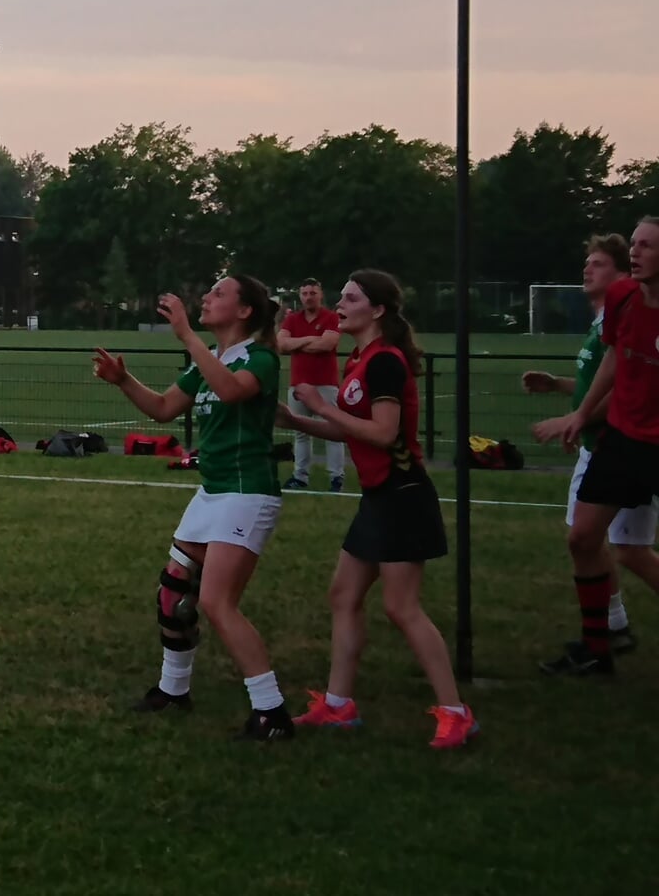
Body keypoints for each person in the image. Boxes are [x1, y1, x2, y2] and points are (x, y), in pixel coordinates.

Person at [278, 269, 476, 748]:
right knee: (343, 596)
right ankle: (339, 705)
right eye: (340, 297)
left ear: (378, 310)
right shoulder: (360, 358)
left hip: (403, 496)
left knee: (401, 607)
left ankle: (456, 712)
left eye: (350, 298)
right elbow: (352, 431)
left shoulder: (384, 362)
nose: (339, 304)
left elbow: (384, 434)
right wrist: (295, 420)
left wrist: (321, 408)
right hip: (379, 496)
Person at [93, 277, 293, 740]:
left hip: (246, 493)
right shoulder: (212, 359)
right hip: (212, 492)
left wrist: (186, 335)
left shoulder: (259, 358)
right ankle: (173, 689)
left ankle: (272, 712)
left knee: (217, 604)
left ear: (245, 312)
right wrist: (124, 380)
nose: (206, 297)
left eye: (219, 293)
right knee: (172, 593)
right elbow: (163, 409)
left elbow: (232, 392)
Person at [524, 235, 658, 672]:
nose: (636, 252)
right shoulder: (623, 298)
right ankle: (598, 650)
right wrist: (580, 414)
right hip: (623, 438)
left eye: (648, 246)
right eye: (634, 243)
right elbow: (614, 360)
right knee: (583, 538)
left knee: (631, 549)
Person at [277, 278, 346, 491]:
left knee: (333, 432)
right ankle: (300, 476)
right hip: (297, 384)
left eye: (312, 293)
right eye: (305, 293)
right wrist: (310, 339)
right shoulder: (292, 320)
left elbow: (327, 344)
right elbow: (281, 345)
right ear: (300, 296)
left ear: (320, 294)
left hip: (325, 384)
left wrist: (296, 343)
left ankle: (336, 477)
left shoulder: (331, 317)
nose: (308, 297)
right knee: (300, 432)